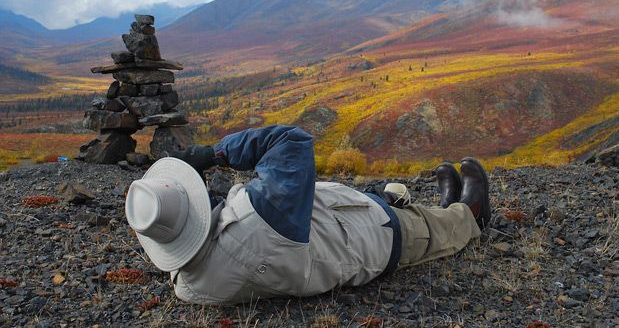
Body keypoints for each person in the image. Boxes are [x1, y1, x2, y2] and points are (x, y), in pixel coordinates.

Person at [125, 125, 490, 305]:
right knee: (434, 227)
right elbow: (290, 141)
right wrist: (211, 155)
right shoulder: (260, 217)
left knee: (400, 207)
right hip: (378, 237)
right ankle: (470, 214)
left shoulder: (188, 286)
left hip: (330, 232)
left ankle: (447, 206)